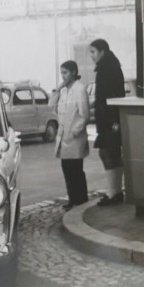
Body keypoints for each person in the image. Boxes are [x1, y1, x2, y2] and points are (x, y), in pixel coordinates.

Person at [89, 39, 126, 206]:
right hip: (112, 117)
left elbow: (108, 96)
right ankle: (116, 191)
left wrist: (111, 120)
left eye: (93, 52)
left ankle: (113, 192)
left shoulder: (106, 68)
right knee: (112, 153)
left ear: (102, 51)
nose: (91, 56)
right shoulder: (112, 66)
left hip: (109, 118)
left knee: (107, 153)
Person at [51, 61, 90, 211]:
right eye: (61, 73)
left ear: (73, 72)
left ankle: (81, 200)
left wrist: (74, 131)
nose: (63, 76)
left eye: (65, 72)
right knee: (66, 168)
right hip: (63, 137)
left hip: (74, 138)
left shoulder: (79, 89)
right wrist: (58, 88)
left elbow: (84, 115)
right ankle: (73, 198)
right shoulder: (64, 90)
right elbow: (51, 106)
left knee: (76, 170)